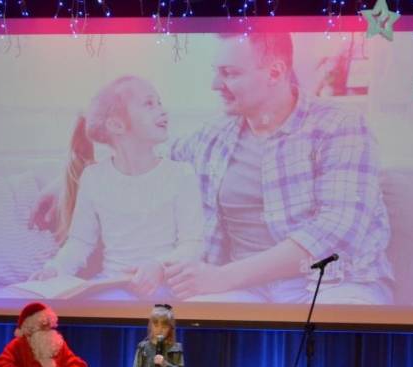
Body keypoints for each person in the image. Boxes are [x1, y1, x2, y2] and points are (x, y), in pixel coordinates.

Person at [164, 33, 392, 304]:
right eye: (217, 72)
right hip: (246, 290)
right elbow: (151, 161)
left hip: (333, 282)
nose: (215, 85)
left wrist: (222, 277)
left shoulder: (340, 126)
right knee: (188, 320)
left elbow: (334, 231)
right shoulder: (212, 136)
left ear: (275, 72)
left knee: (328, 325)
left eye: (230, 73)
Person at [30, 75, 204, 297]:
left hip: (165, 287)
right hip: (111, 285)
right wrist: (54, 269)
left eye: (159, 102)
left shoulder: (181, 174)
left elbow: (193, 244)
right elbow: (80, 242)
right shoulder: (94, 178)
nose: (162, 110)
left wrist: (159, 267)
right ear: (116, 125)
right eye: (149, 103)